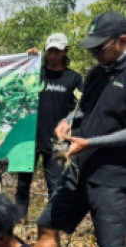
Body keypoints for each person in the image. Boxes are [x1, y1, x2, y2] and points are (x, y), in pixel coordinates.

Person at [36, 11, 126, 247]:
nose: (95, 54)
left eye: (100, 48)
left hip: (112, 177)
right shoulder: (97, 73)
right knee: (47, 223)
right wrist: (66, 121)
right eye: (92, 49)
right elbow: (83, 108)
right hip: (78, 168)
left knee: (111, 245)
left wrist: (94, 142)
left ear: (122, 41)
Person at [15, 33, 82, 218]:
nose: (53, 55)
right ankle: (20, 221)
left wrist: (69, 129)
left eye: (57, 51)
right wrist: (27, 60)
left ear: (65, 52)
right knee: (22, 184)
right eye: (50, 51)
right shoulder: (36, 73)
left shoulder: (73, 78)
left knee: (56, 183)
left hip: (59, 142)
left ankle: (53, 222)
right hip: (29, 140)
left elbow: (80, 107)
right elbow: (16, 82)